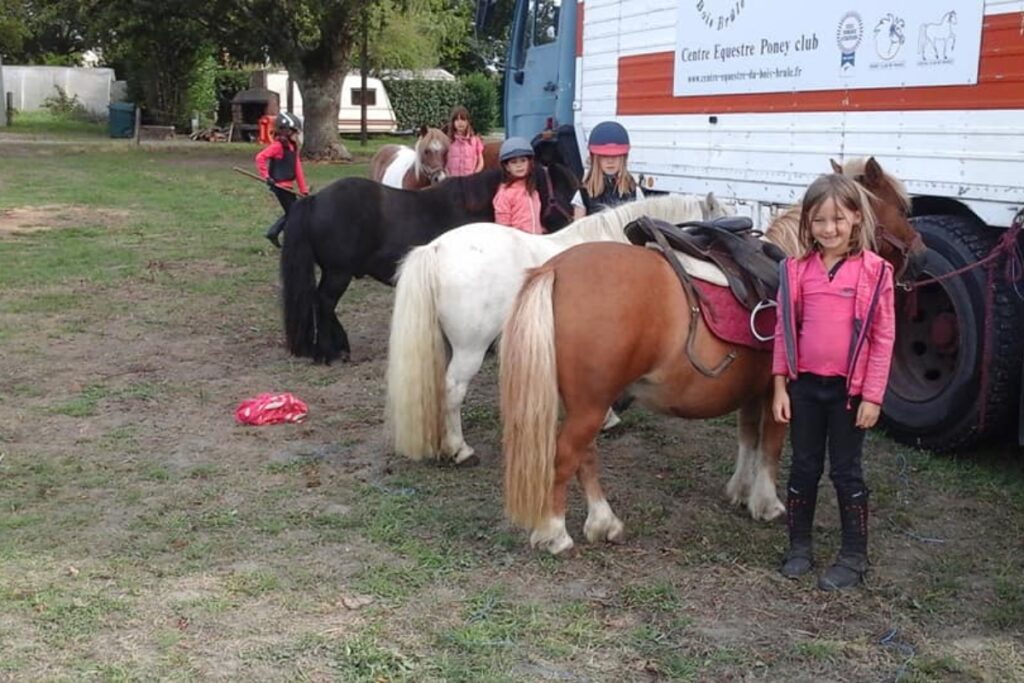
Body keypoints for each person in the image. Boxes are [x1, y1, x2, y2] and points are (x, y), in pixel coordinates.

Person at [771, 173, 896, 591]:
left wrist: (872, 397)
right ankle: (799, 547)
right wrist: (779, 385)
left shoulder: (876, 273)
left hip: (849, 393)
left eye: (838, 220)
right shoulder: (795, 270)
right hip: (805, 386)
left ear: (857, 218)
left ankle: (853, 557)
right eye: (819, 221)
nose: (829, 229)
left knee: (846, 472)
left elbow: (882, 338)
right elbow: (785, 331)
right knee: (803, 467)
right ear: (808, 223)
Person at [255, 112, 309, 247]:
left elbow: (297, 169)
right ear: (284, 130)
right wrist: (266, 176)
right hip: (279, 185)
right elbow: (260, 157)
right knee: (294, 213)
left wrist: (303, 189)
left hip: (288, 186)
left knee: (293, 212)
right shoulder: (277, 146)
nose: (295, 134)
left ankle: (275, 233)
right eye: (293, 131)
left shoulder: (292, 147)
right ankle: (277, 233)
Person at [571, 120, 643, 219]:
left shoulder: (635, 193)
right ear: (595, 158)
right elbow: (578, 232)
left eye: (616, 156)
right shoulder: (583, 195)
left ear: (624, 158)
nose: (610, 161)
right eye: (604, 156)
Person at [493, 137, 543, 234]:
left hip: (536, 242)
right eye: (513, 162)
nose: (519, 165)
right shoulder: (505, 194)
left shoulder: (533, 191)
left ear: (529, 163)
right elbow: (502, 227)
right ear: (507, 167)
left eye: (523, 160)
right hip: (518, 245)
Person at [444, 106, 484, 177]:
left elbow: (481, 162)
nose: (460, 122)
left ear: (468, 122)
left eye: (463, 119)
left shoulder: (475, 141)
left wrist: (475, 174)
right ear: (453, 123)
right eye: (457, 120)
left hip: (469, 182)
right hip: (453, 181)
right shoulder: (448, 142)